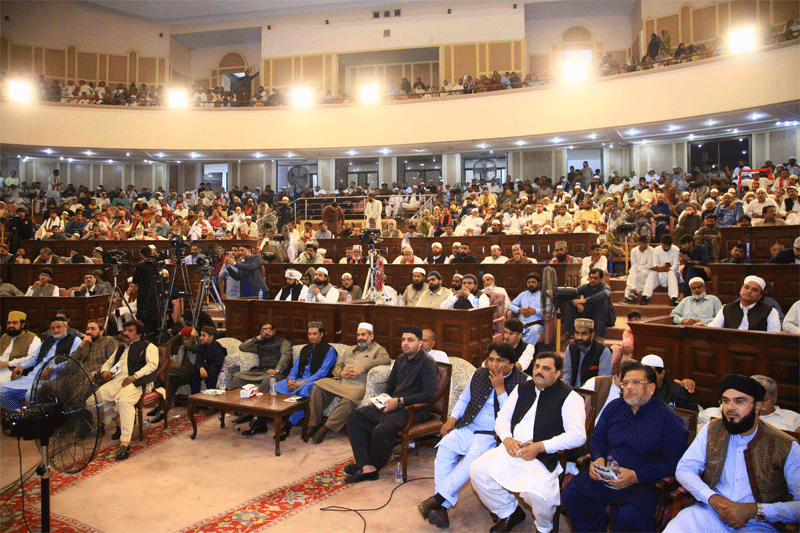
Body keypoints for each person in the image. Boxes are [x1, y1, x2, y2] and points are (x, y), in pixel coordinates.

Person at [562, 362, 689, 533]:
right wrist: (598, 458)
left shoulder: (669, 418)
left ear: (651, 388)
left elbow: (675, 463)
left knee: (627, 516)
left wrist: (636, 476)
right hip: (607, 475)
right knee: (572, 494)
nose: (629, 387)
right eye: (626, 383)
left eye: (636, 382)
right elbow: (597, 439)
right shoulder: (614, 407)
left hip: (643, 482)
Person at [664, 374, 800, 533]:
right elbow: (685, 469)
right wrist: (713, 498)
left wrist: (753, 510)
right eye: (726, 401)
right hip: (711, 512)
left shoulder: (785, 445)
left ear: (758, 406)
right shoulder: (712, 429)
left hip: (759, 523)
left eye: (740, 401)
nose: (730, 407)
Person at [469, 352, 586, 533]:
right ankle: (509, 512)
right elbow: (502, 418)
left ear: (557, 373)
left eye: (546, 368)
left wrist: (540, 446)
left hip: (544, 456)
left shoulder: (570, 397)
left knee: (540, 496)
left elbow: (578, 435)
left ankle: (544, 527)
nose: (539, 371)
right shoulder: (522, 388)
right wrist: (507, 439)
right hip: (512, 449)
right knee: (478, 471)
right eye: (537, 366)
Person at [418, 343, 529, 528]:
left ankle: (438, 500)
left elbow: (514, 416)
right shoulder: (478, 374)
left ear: (512, 364)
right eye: (491, 359)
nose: (494, 365)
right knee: (444, 449)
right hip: (467, 426)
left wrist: (500, 389)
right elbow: (464, 400)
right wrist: (452, 419)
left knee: (470, 463)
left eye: (500, 360)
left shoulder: (524, 382)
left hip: (492, 435)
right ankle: (442, 507)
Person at [344, 326, 438, 484]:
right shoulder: (401, 358)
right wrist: (383, 398)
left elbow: (429, 395)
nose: (405, 343)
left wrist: (399, 401)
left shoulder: (428, 363)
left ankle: (371, 467)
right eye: (403, 340)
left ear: (420, 343)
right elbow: (391, 383)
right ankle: (366, 465)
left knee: (382, 430)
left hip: (414, 410)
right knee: (354, 417)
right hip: (394, 405)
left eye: (410, 340)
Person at [304, 322, 390, 444]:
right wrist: (341, 373)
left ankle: (325, 428)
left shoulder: (378, 349)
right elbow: (337, 367)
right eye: (358, 335)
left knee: (349, 401)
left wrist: (362, 368)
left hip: (357, 386)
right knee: (318, 386)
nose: (360, 337)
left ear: (371, 336)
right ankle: (314, 423)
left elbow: (385, 359)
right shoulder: (350, 349)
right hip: (341, 382)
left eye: (363, 334)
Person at [91, 320, 159, 460]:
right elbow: (109, 362)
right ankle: (119, 420)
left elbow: (152, 365)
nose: (126, 333)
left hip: (137, 382)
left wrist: (135, 376)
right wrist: (105, 372)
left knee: (124, 402)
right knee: (92, 401)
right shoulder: (122, 348)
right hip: (116, 381)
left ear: (139, 334)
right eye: (125, 330)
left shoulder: (148, 346)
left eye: (130, 331)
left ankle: (125, 443)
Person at [274, 322, 337, 440]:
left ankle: (289, 425)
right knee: (275, 387)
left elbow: (322, 373)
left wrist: (301, 383)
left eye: (315, 334)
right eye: (309, 334)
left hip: (315, 382)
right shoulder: (305, 349)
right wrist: (290, 380)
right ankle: (273, 419)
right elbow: (295, 368)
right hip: (298, 380)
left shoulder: (329, 350)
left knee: (304, 393)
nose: (312, 337)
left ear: (321, 334)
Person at [697, 374, 800, 433]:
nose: (758, 405)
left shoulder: (794, 419)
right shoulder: (723, 411)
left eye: (764, 400)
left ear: (774, 399)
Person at [708, 275, 781, 332]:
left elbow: (773, 337)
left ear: (760, 296)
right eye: (746, 287)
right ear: (740, 290)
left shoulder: (770, 311)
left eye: (754, 290)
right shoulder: (727, 308)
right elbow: (713, 329)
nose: (749, 291)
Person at [563, 268, 615, 339]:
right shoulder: (586, 287)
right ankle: (568, 332)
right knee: (570, 304)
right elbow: (572, 294)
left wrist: (584, 300)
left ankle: (599, 335)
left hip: (605, 317)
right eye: (591, 278)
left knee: (601, 301)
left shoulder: (606, 287)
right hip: (591, 314)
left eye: (595, 278)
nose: (593, 280)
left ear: (601, 279)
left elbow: (604, 295)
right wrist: (577, 304)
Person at [562, 318, 612, 388]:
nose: (579, 337)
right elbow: (567, 376)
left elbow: (603, 382)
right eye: (577, 333)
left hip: (592, 392)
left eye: (584, 334)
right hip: (573, 391)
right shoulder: (570, 349)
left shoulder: (603, 351)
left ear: (592, 335)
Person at [0, 312, 42, 386]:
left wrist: (7, 364)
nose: (11, 325)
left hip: (12, 371)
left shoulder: (33, 338)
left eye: (14, 323)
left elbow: (31, 359)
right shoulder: (4, 337)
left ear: (23, 325)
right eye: (9, 323)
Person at [640, 234, 680, 306]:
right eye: (664, 246)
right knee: (652, 272)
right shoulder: (656, 250)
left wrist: (665, 269)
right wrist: (663, 268)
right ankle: (645, 296)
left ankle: (674, 298)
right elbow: (655, 265)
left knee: (671, 272)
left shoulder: (676, 250)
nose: (666, 248)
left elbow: (675, 266)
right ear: (661, 243)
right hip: (660, 274)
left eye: (668, 246)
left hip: (672, 275)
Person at [506, 273, 544, 347]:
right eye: (529, 282)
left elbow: (549, 310)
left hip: (535, 324)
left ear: (539, 284)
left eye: (533, 282)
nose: (530, 284)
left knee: (535, 330)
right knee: (510, 330)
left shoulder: (543, 295)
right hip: (521, 324)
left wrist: (535, 311)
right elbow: (509, 305)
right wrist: (519, 310)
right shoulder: (523, 294)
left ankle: (519, 349)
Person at [130, 246, 160, 336]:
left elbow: (135, 280)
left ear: (142, 255)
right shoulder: (155, 265)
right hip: (154, 293)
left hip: (143, 293)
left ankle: (143, 332)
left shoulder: (141, 265)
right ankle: (154, 331)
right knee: (153, 311)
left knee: (143, 312)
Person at [623, 235, 654, 302]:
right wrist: (638, 268)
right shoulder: (634, 251)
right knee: (633, 272)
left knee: (639, 275)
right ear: (639, 243)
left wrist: (640, 268)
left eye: (647, 243)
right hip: (636, 269)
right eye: (644, 243)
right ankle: (633, 289)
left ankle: (630, 293)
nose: (646, 244)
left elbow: (649, 265)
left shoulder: (651, 250)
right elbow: (633, 264)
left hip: (647, 270)